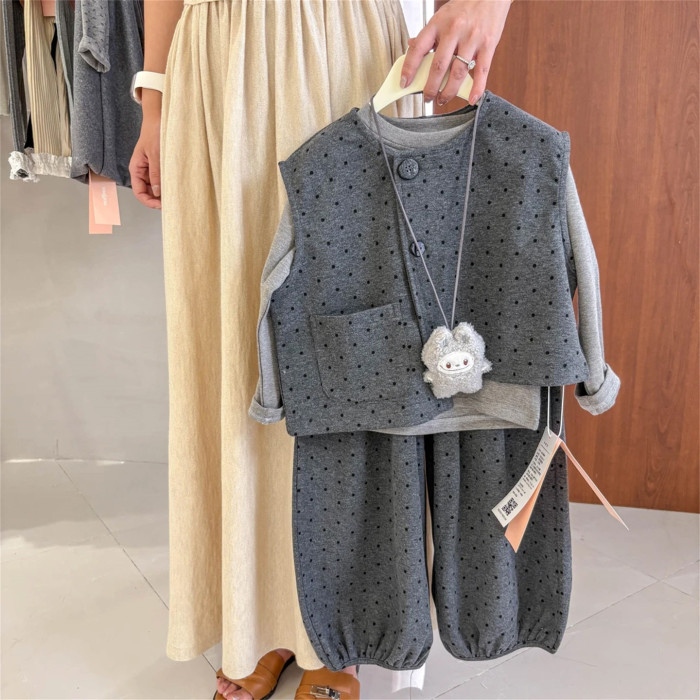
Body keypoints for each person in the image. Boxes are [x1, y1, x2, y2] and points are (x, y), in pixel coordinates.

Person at [129, 1, 513, 698]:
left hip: (343, 46)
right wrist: (154, 97)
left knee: (348, 348)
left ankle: (341, 627)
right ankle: (258, 616)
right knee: (231, 344)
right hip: (214, 58)